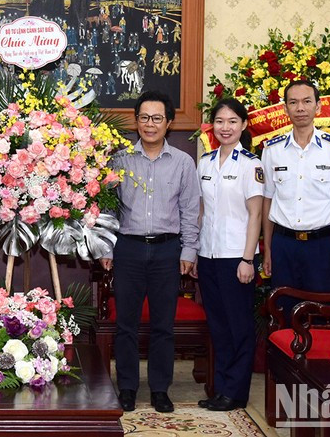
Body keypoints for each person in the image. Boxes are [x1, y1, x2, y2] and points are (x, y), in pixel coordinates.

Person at [100, 91, 200, 414]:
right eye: (144, 117)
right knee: (125, 324)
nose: (150, 124)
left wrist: (189, 251)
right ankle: (127, 387)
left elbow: (190, 209)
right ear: (136, 120)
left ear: (169, 123)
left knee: (162, 325)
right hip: (127, 248)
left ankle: (160, 390)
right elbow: (108, 209)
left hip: (167, 250)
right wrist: (106, 246)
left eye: (157, 118)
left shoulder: (183, 163)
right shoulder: (120, 159)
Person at [261, 79, 330, 315]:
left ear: (318, 106)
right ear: (285, 109)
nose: (300, 108)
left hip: (323, 246)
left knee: (324, 315)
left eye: (307, 101)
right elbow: (267, 202)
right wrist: (267, 249)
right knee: (284, 314)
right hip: (283, 246)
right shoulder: (271, 150)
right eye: (293, 102)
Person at [195, 98, 263, 411]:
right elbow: (202, 211)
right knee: (219, 326)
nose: (226, 127)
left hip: (237, 258)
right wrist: (195, 252)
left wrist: (248, 259)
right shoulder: (205, 162)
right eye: (220, 121)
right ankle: (221, 388)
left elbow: (255, 216)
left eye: (232, 121)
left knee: (239, 327)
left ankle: (235, 393)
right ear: (213, 126)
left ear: (243, 125)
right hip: (208, 255)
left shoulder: (252, 164)